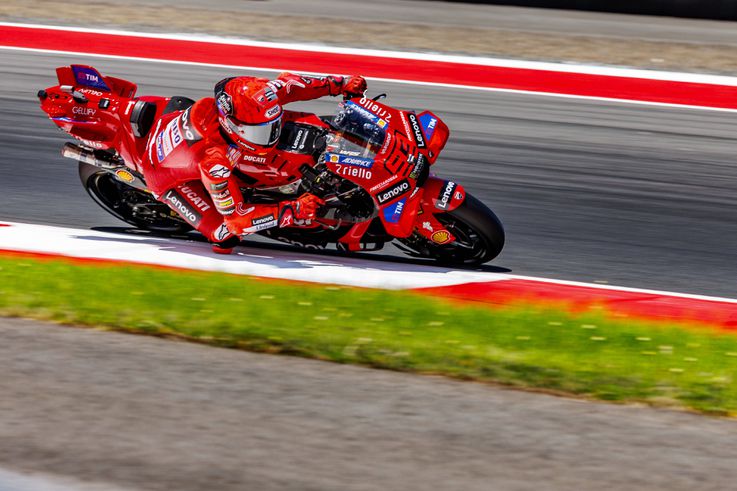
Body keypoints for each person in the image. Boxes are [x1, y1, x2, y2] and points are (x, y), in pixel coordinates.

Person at [141, 72, 367, 253]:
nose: (271, 136)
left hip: (180, 126)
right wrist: (293, 209)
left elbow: (293, 85)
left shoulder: (257, 96)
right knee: (225, 235)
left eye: (273, 125)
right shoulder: (215, 161)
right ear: (232, 126)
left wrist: (341, 84)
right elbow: (236, 220)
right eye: (260, 132)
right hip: (163, 175)